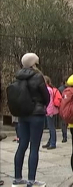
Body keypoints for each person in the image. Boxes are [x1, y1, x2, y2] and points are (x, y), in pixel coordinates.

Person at [12, 53, 50, 187]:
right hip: (36, 114)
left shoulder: (18, 77)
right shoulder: (37, 76)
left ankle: (17, 179)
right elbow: (46, 96)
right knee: (34, 147)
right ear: (34, 63)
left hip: (23, 114)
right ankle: (31, 180)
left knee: (22, 145)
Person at [42, 76, 58, 150]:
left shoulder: (48, 89)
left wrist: (49, 112)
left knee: (51, 127)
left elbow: (50, 102)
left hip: (49, 111)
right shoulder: (49, 89)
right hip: (49, 111)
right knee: (50, 127)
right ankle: (50, 142)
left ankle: (52, 143)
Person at [57, 78, 68, 143]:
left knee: (64, 122)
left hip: (66, 106)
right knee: (63, 122)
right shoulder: (61, 89)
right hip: (63, 107)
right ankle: (64, 136)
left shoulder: (62, 89)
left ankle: (65, 136)